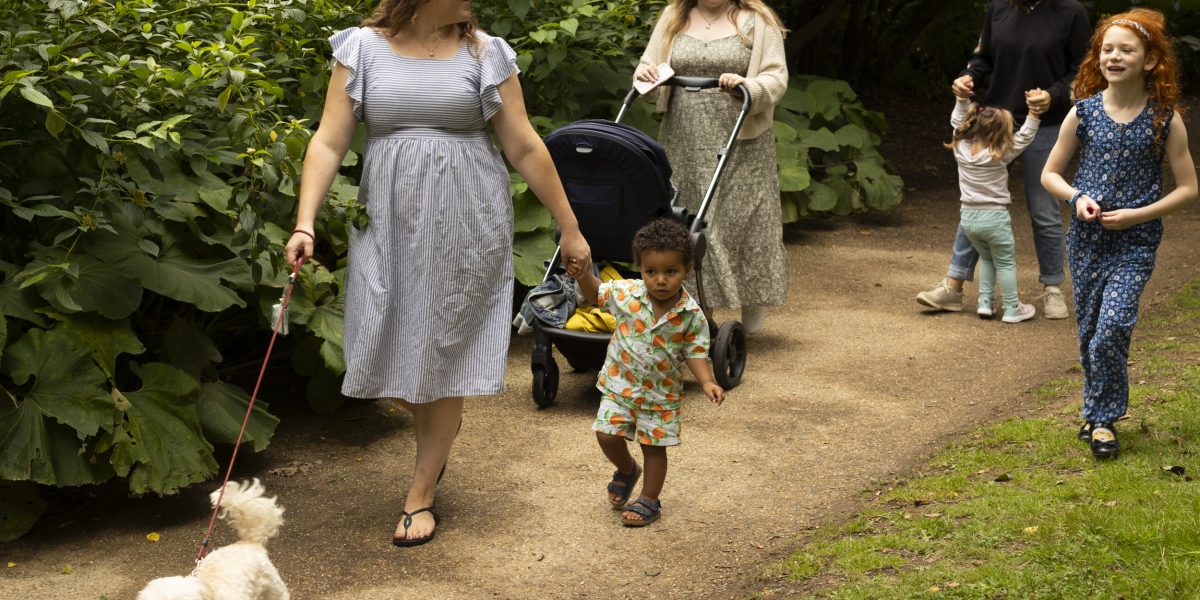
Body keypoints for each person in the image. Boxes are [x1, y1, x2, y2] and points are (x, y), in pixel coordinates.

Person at [283, 0, 592, 546]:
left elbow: (522, 144)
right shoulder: (362, 49)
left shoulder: (487, 54)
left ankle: (421, 489)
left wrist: (570, 227)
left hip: (465, 217)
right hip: (387, 219)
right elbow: (329, 141)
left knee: (444, 347)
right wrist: (305, 221)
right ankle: (441, 427)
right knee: (379, 341)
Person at [1041, 9, 1196, 459]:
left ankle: (1105, 419)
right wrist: (1076, 199)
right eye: (1107, 48)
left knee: (1112, 327)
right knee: (1090, 329)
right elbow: (1051, 174)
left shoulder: (1164, 118)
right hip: (1087, 239)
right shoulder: (1083, 113)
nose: (1113, 56)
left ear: (1149, 60)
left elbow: (1189, 189)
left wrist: (1138, 215)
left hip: (1135, 240)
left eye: (1126, 49)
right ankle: (1095, 413)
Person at [916, 0, 1091, 320]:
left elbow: (1083, 71)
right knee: (977, 202)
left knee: (1043, 208)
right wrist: (967, 76)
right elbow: (982, 59)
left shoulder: (1071, 12)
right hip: (996, 123)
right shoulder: (999, 9)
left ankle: (1052, 287)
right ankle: (953, 286)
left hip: (1046, 122)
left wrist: (1053, 95)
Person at [634, 0, 789, 335]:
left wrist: (749, 87)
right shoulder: (674, 15)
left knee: (741, 218)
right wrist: (647, 77)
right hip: (684, 136)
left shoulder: (756, 21)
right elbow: (647, 70)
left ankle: (752, 298)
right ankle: (699, 307)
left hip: (740, 137)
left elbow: (777, 76)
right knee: (689, 218)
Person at [575, 218, 725, 526]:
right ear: (640, 269)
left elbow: (695, 352)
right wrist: (581, 276)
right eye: (651, 272)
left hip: (660, 396)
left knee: (654, 449)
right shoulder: (627, 294)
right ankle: (627, 469)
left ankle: (649, 499)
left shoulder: (691, 315)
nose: (660, 280)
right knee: (606, 435)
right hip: (621, 385)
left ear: (686, 270)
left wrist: (707, 380)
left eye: (671, 272)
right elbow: (596, 295)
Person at [944, 89, 1046, 323]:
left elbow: (956, 121)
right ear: (1000, 132)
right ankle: (1012, 308)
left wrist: (961, 100)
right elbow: (1025, 137)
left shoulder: (960, 148)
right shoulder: (1000, 153)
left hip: (968, 218)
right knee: (1006, 262)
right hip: (994, 218)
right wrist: (1033, 114)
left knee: (987, 258)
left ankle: (985, 303)